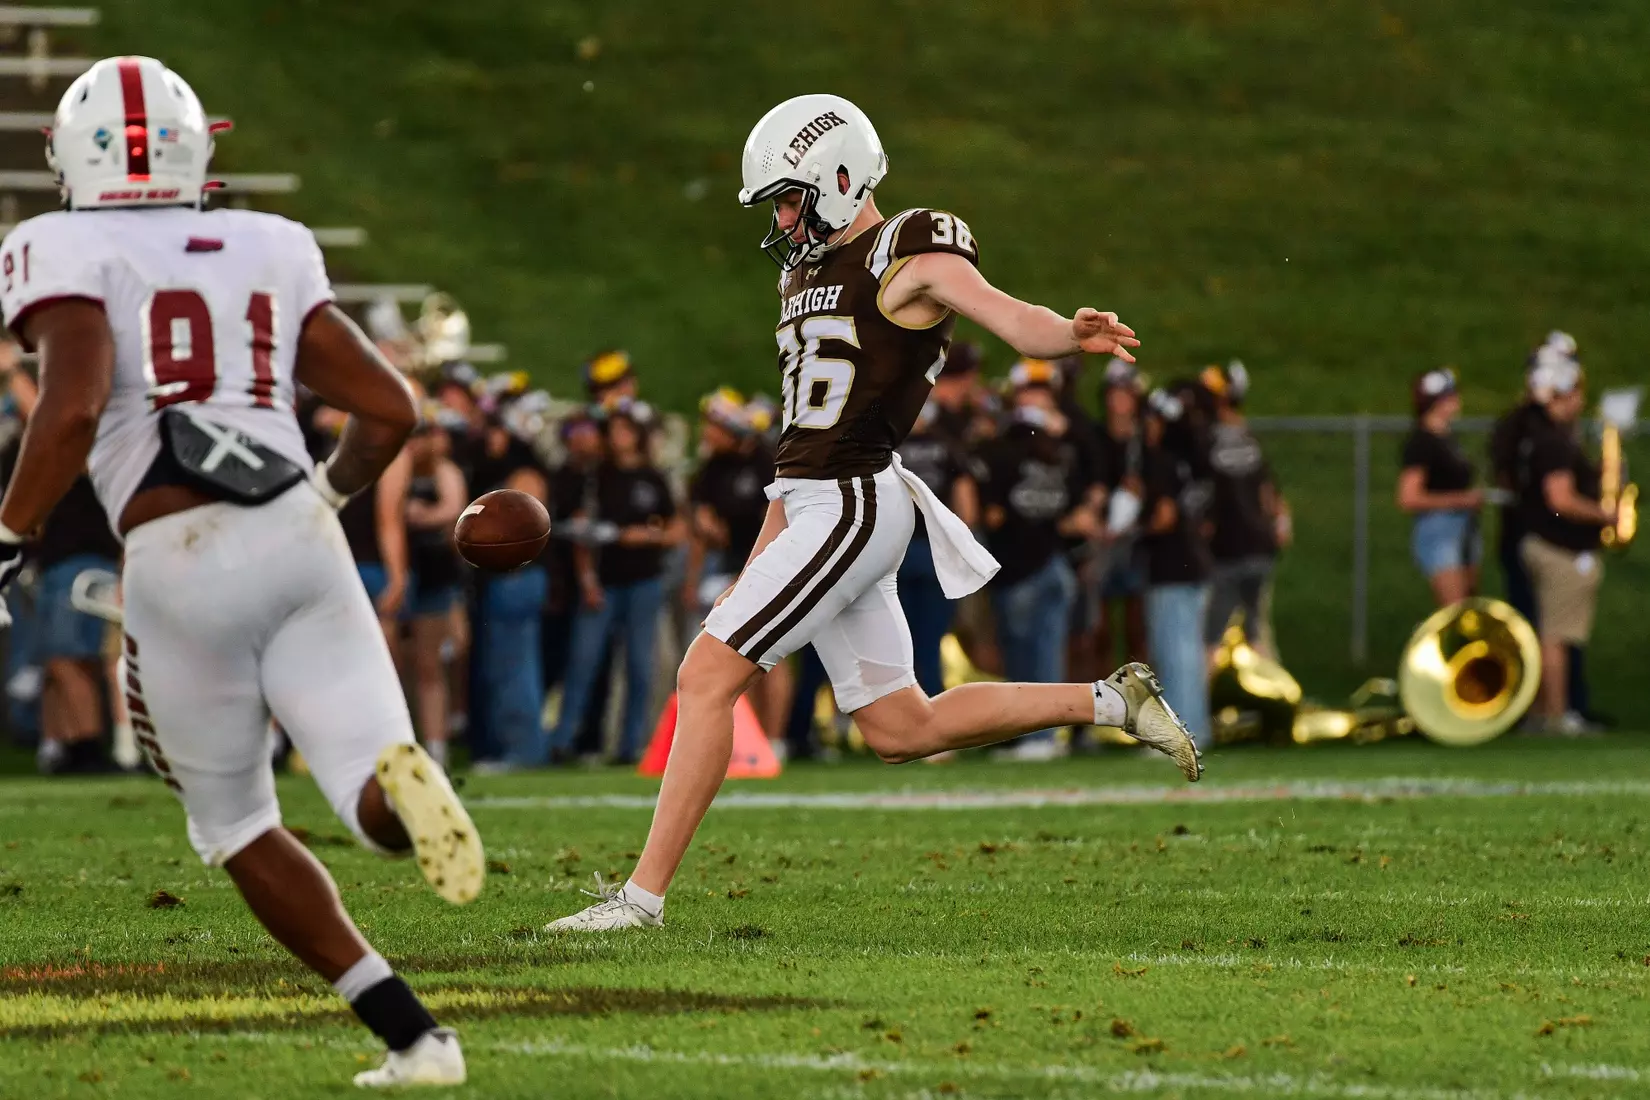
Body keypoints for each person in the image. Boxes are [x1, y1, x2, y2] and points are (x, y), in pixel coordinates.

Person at [547, 92, 1199, 933]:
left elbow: (1007, 315)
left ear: (839, 177)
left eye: (790, 196)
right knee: (901, 726)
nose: (783, 219)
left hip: (853, 504)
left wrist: (1069, 334)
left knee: (703, 680)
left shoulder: (908, 251)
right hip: (819, 502)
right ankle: (1113, 703)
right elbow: (795, 454)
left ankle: (640, 902)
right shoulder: (800, 275)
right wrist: (760, 556)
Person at [0, 58, 475, 1086]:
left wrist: (7, 536)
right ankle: (403, 794)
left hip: (179, 553)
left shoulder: (55, 242)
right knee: (365, 788)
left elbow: (73, 404)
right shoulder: (271, 240)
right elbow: (393, 407)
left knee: (236, 824)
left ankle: (416, 1037)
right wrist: (332, 498)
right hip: (303, 533)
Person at [976, 363, 1100, 760]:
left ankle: (1035, 738)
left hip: (1016, 569)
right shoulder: (1060, 459)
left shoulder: (998, 456)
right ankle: (1047, 736)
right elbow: (1075, 515)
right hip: (1054, 564)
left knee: (1023, 659)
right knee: (1049, 654)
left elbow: (992, 516)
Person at [555, 400, 684, 764]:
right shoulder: (597, 478)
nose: (619, 437)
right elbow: (583, 532)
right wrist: (588, 580)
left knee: (640, 666)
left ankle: (630, 746)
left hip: (644, 581)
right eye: (614, 431)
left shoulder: (653, 478)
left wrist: (642, 536)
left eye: (626, 430)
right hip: (605, 582)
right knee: (584, 662)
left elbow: (676, 529)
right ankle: (564, 740)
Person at [1514, 356, 1613, 734]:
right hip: (1559, 549)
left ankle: (1544, 711)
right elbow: (1560, 500)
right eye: (1574, 394)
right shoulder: (1554, 441)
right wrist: (1604, 515)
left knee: (1549, 633)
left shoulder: (1539, 436)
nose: (1579, 403)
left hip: (1543, 543)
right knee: (1556, 636)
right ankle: (1555, 714)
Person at [684, 388, 789, 737]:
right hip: (730, 569)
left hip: (768, 569)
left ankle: (774, 740)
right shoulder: (711, 469)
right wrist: (692, 578)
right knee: (741, 661)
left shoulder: (766, 463)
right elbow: (702, 528)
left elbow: (778, 524)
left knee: (773, 659)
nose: (707, 434)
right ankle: (755, 738)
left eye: (714, 426)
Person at [464, 407, 549, 769]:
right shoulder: (504, 472)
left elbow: (522, 533)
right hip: (504, 581)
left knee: (515, 665)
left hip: (516, 579)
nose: (490, 438)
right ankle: (510, 746)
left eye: (498, 431)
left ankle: (524, 748)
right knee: (502, 665)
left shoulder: (525, 475)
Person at [1140, 389, 1214, 748]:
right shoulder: (1192, 459)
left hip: (1170, 565)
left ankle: (1180, 734)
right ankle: (1198, 727)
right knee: (1190, 654)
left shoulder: (1162, 460)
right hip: (1195, 562)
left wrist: (1134, 529)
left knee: (1174, 655)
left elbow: (1165, 517)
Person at [1202, 362, 1289, 654]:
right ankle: (1266, 694)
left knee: (1212, 637)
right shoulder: (1248, 435)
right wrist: (1280, 522)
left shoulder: (1206, 437)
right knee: (1257, 632)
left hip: (1226, 549)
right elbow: (1270, 494)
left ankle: (1198, 700)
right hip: (1259, 546)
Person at [896, 399, 978, 700]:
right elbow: (967, 509)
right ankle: (932, 719)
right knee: (930, 642)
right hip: (934, 555)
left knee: (896, 644)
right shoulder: (947, 448)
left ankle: (898, 720)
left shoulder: (885, 448)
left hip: (892, 555)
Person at [403, 415, 469, 769]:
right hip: (400, 570)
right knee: (395, 663)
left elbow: (454, 509)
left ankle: (436, 747)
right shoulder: (396, 466)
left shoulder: (444, 471)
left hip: (434, 573)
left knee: (431, 663)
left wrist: (418, 514)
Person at [1397, 368, 1483, 606]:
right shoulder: (1421, 443)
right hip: (1440, 528)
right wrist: (1460, 500)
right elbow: (1409, 497)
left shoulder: (1447, 438)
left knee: (1468, 606)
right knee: (1454, 608)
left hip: (1463, 526)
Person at [1093, 358, 1150, 671]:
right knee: (1098, 629)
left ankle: (1138, 698)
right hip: (1103, 539)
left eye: (1126, 392)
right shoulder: (1096, 436)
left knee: (1136, 628)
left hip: (1137, 542)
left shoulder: (1144, 441)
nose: (1120, 399)